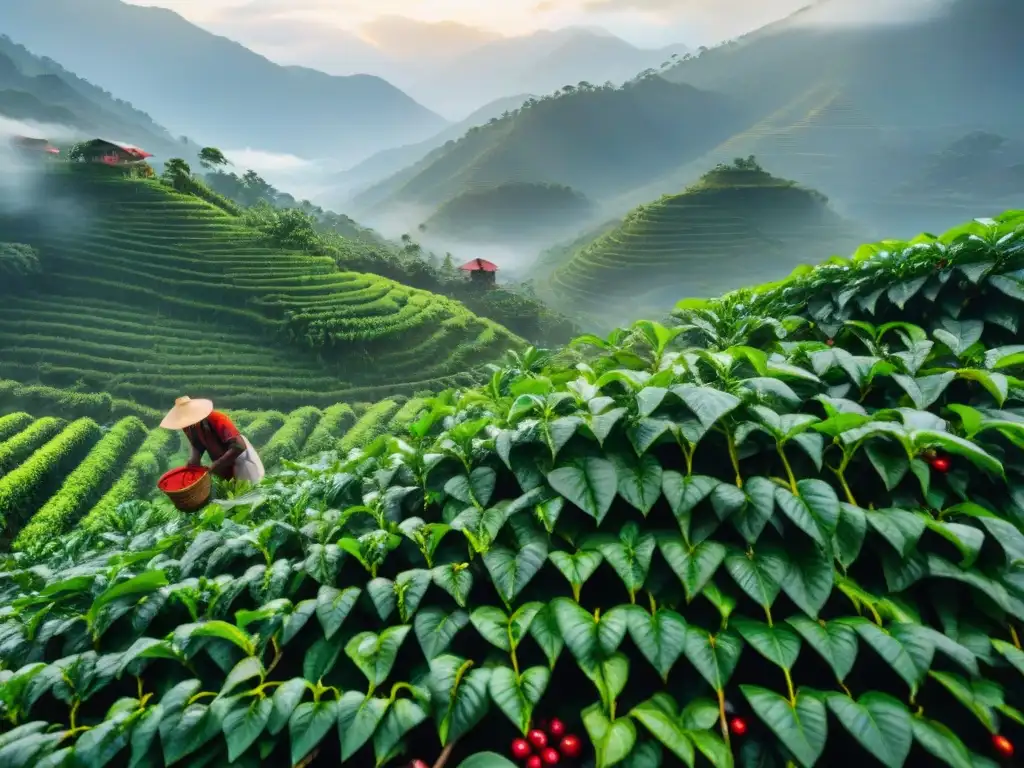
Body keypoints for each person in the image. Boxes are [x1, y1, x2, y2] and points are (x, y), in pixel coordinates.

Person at [159, 396, 265, 483]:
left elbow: (239, 446)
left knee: (249, 493)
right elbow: (197, 445)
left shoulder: (217, 418)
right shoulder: (188, 426)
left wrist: (216, 465)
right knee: (230, 493)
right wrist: (192, 465)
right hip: (223, 463)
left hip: (241, 460)